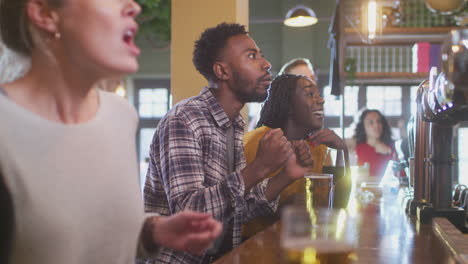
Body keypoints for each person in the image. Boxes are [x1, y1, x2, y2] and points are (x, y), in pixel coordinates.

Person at [0, 1, 222, 264]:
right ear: (46, 14)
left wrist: (153, 231)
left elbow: (83, 231)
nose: (134, 7)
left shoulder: (121, 115)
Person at [143, 23, 314, 264]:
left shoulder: (234, 124)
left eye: (261, 55)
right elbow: (188, 216)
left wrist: (285, 175)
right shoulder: (184, 120)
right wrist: (259, 168)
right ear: (222, 72)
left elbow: (236, 210)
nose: (266, 64)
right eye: (252, 56)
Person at [242, 74, 352, 238]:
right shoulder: (258, 142)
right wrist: (284, 207)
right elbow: (236, 208)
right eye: (310, 94)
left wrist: (343, 151)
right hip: (257, 247)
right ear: (289, 106)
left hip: (303, 243)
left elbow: (338, 205)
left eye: (319, 95)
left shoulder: (319, 147)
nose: (321, 100)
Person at [353, 109, 395, 177]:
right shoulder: (358, 149)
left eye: (379, 121)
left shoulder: (393, 147)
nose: (376, 125)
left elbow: (402, 175)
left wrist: (390, 153)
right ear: (363, 126)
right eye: (371, 122)